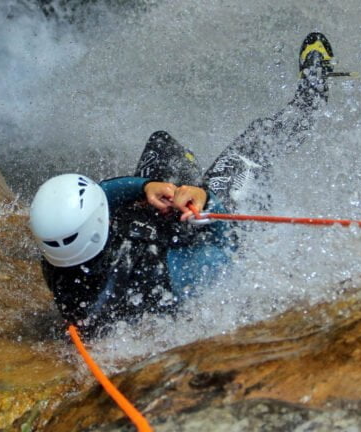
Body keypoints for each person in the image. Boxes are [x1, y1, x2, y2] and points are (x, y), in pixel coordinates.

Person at [29, 33, 341, 335]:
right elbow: (227, 252)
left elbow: (105, 194)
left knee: (160, 144)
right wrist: (206, 199)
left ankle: (191, 181)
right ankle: (312, 95)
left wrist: (144, 188)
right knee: (254, 144)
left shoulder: (61, 262)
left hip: (168, 232)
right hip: (220, 232)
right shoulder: (164, 272)